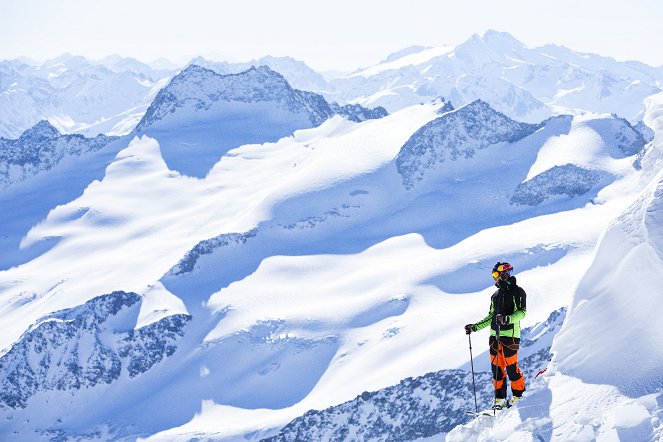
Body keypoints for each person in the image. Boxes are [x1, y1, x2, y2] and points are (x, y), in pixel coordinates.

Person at [465, 262, 527, 409]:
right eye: (493, 275)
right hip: (494, 337)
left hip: (510, 336)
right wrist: (475, 327)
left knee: (512, 368)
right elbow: (491, 316)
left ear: (504, 274)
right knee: (497, 369)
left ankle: (519, 396)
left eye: (495, 275)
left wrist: (507, 319)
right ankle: (500, 400)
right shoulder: (495, 295)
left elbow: (522, 313)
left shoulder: (518, 292)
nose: (494, 278)